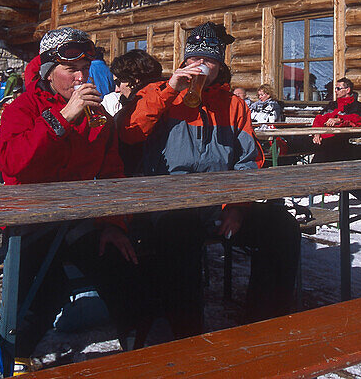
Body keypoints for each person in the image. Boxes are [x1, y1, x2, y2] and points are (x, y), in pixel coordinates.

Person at [123, 21, 299, 338]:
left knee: (280, 224)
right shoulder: (159, 94)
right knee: (180, 232)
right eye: (195, 60)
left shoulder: (233, 105)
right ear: (184, 61)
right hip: (168, 203)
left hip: (218, 204)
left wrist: (238, 206)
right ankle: (185, 336)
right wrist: (170, 89)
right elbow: (129, 133)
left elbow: (248, 160)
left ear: (220, 66)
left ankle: (265, 323)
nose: (202, 67)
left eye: (211, 61)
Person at [0, 27, 141, 358]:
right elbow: (11, 162)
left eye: (85, 69)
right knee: (42, 289)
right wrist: (60, 119)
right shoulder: (23, 108)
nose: (80, 77)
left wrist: (114, 223)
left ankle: (143, 353)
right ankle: (14, 357)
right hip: (30, 219)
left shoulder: (98, 113)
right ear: (48, 73)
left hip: (79, 217)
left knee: (125, 266)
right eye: (71, 69)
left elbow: (111, 172)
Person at [105, 49, 164, 176]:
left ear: (134, 80)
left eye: (118, 82)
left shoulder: (139, 106)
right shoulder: (168, 95)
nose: (116, 89)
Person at [308, 77, 361, 163]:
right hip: (327, 139)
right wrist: (316, 132)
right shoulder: (332, 104)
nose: (336, 91)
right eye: (335, 88)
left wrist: (339, 120)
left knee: (328, 149)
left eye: (338, 88)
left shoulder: (356, 105)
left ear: (347, 90)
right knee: (302, 142)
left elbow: (357, 119)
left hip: (345, 139)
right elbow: (319, 118)